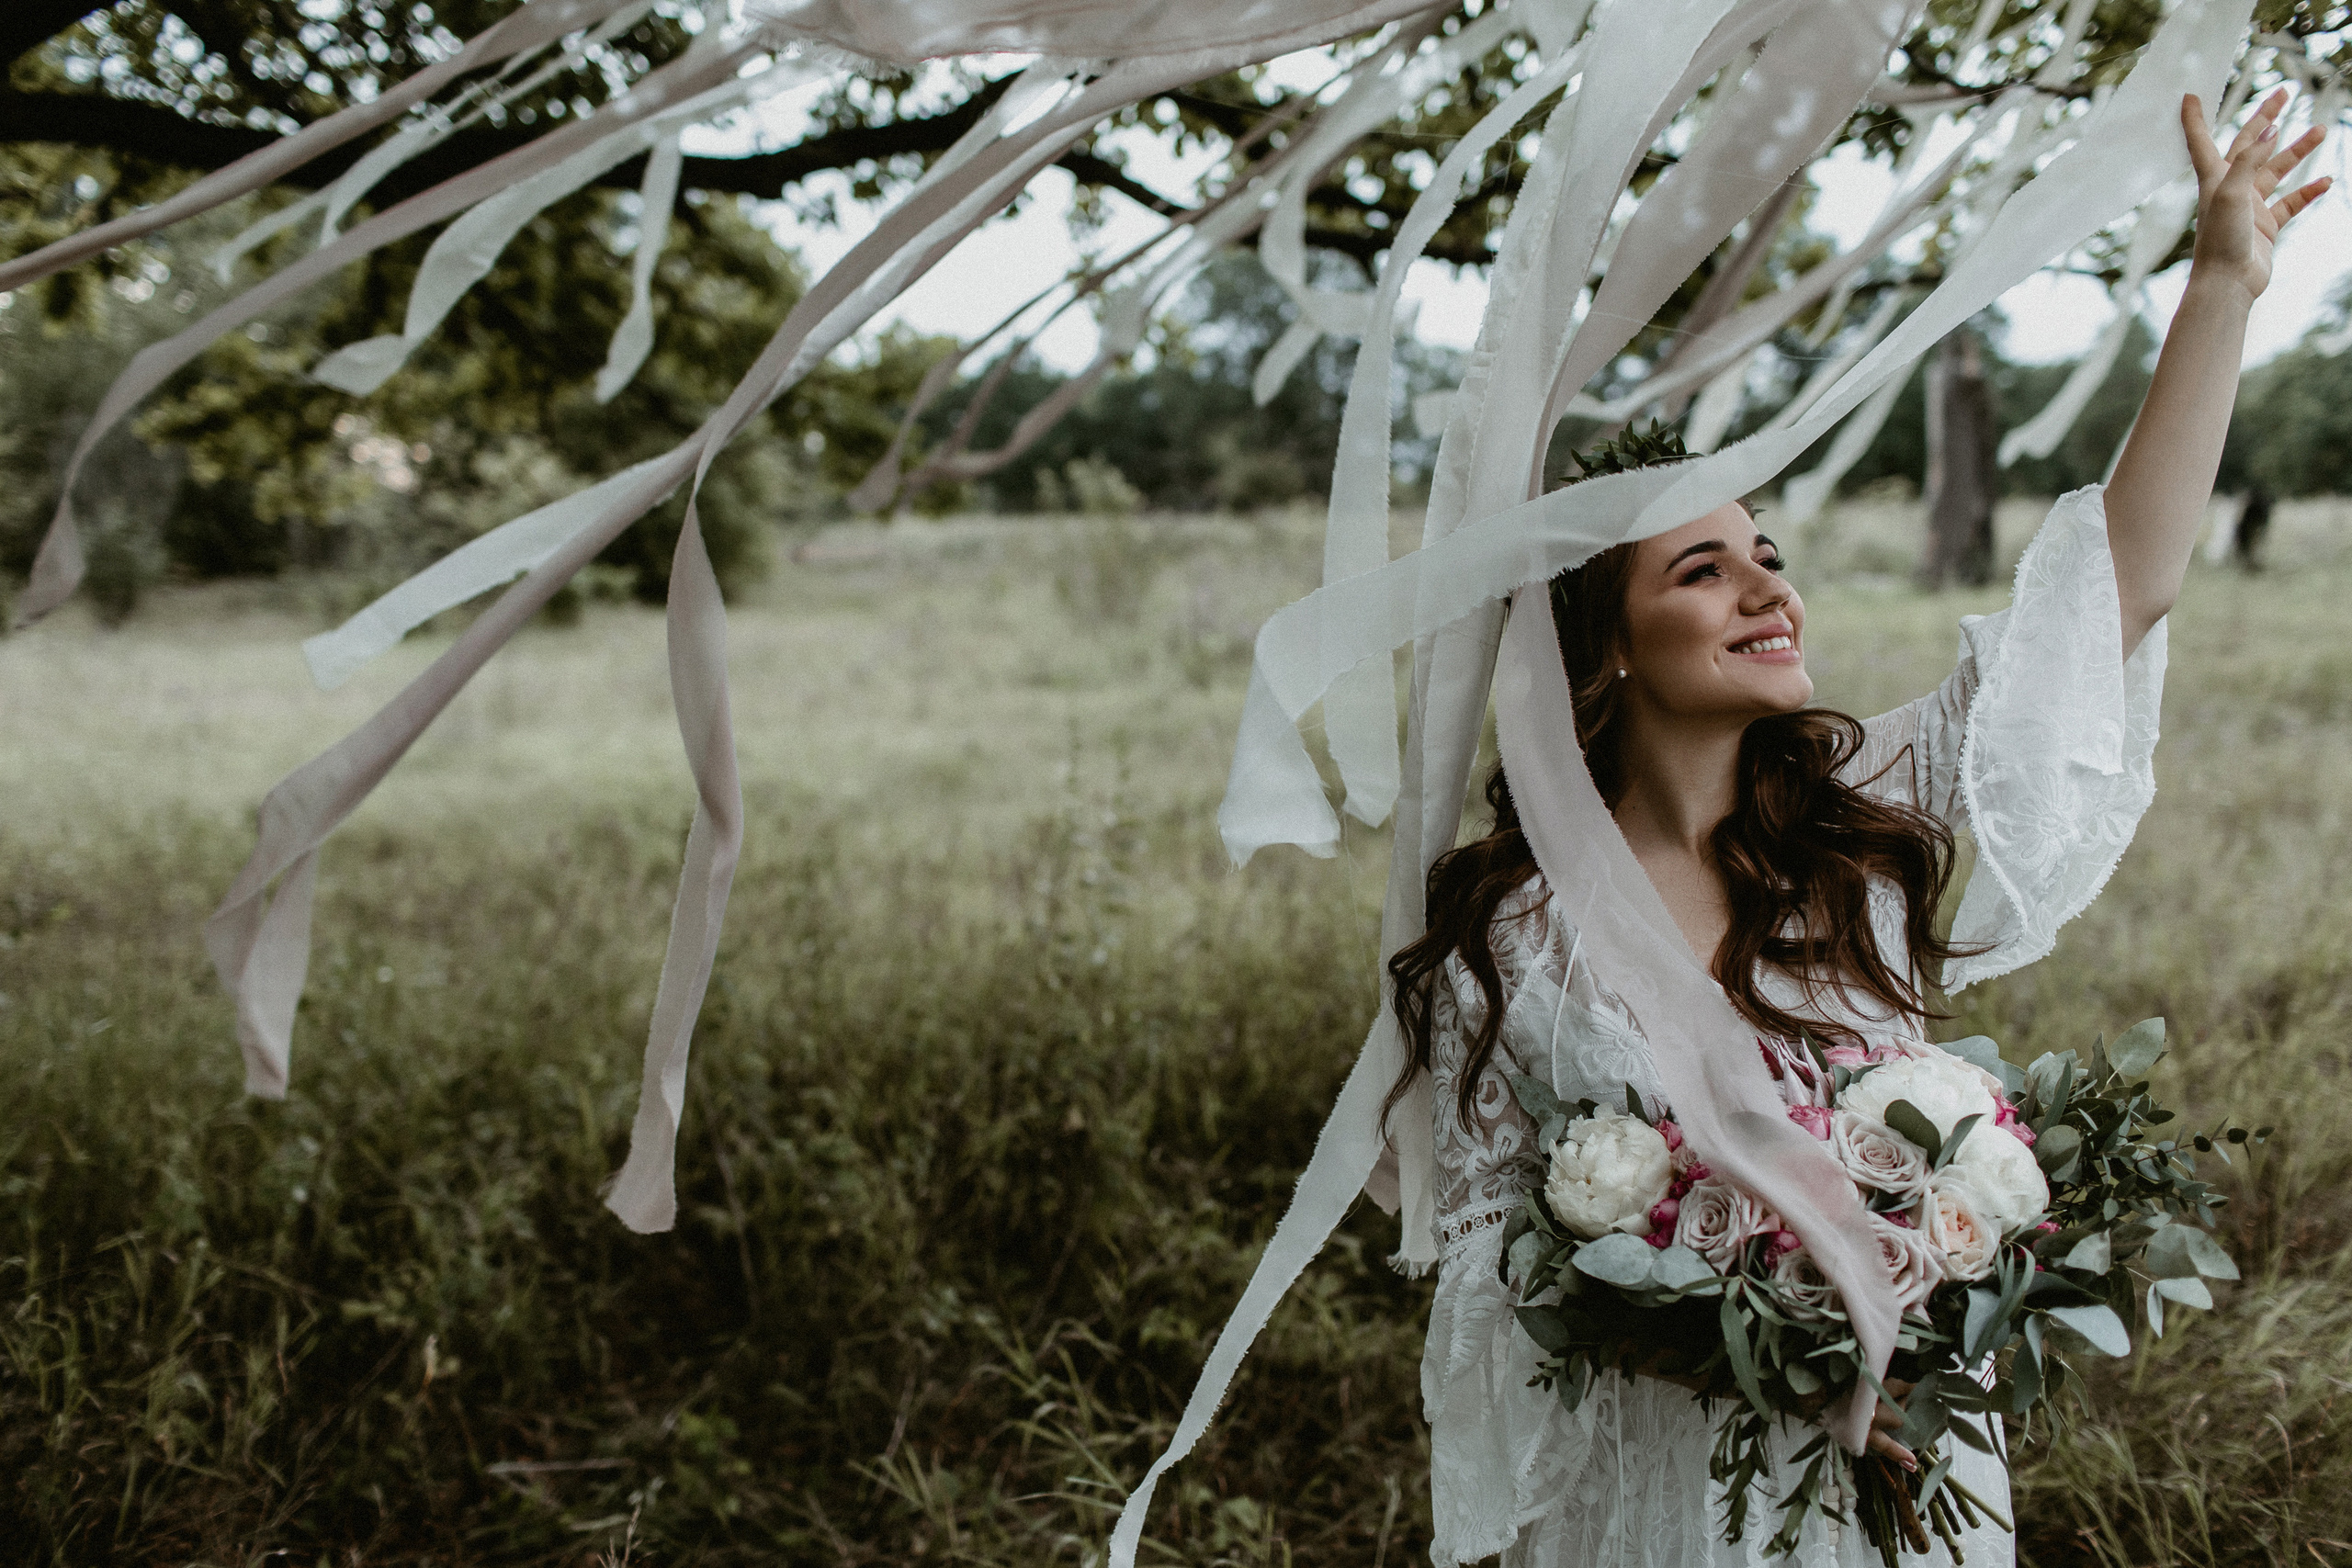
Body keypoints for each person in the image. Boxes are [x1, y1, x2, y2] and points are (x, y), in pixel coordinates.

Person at [1385, 91, 2332, 1567]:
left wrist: (2220, 284)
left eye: (1773, 555)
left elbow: (2115, 596)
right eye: (1705, 570)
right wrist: (1777, 1364)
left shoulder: (1862, 817)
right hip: (1658, 1494)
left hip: (1906, 1486)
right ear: (1606, 650)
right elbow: (1501, 1270)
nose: (1771, 591)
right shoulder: (1515, 934)